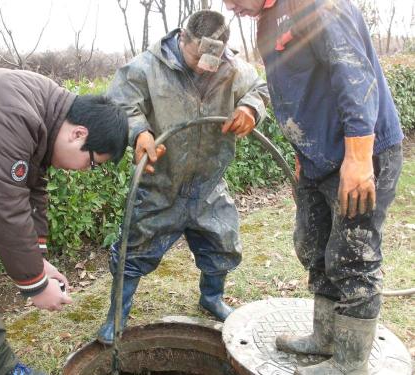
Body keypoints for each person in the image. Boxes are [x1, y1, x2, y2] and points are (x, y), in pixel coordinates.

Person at [223, 0, 404, 374]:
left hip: (356, 153)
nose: (231, 6)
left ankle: (350, 364)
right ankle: (325, 337)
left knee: (352, 257)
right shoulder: (267, 18)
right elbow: (294, 90)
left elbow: (353, 75)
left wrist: (358, 156)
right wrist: (303, 149)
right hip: (317, 158)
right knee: (313, 245)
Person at [0, 67, 129, 375]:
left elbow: (32, 188)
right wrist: (36, 286)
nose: (86, 170)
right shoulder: (13, 113)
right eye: (93, 162)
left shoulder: (48, 112)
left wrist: (39, 262)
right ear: (79, 133)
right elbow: (5, 205)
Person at [97, 10, 269, 345]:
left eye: (212, 58)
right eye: (197, 56)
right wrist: (139, 133)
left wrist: (250, 109)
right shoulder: (147, 66)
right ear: (182, 38)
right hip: (161, 182)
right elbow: (120, 103)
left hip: (208, 182)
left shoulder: (232, 67)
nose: (205, 66)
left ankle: (212, 297)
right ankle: (116, 315)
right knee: (134, 249)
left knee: (222, 240)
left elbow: (259, 89)